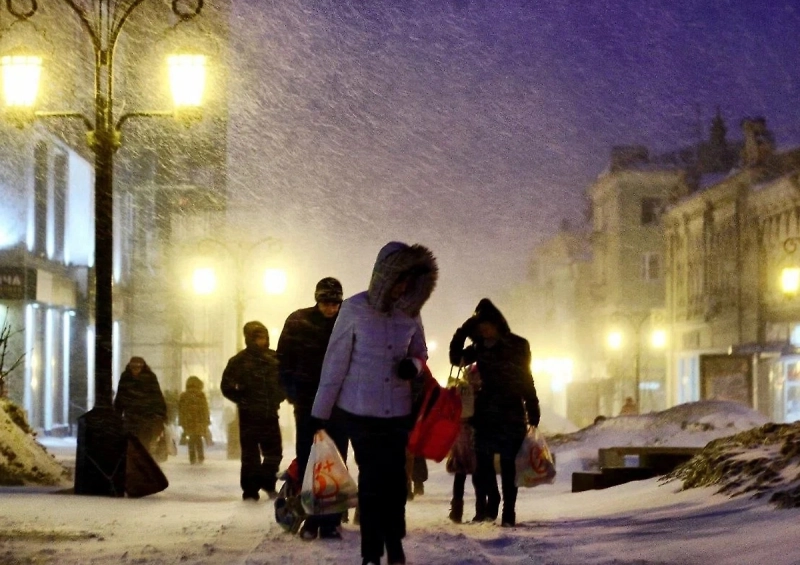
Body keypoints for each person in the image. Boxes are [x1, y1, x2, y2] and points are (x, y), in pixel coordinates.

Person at [312, 241, 438, 565]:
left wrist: (415, 366)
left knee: (396, 482)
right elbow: (335, 362)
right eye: (399, 279)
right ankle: (371, 552)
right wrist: (320, 414)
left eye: (409, 281)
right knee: (371, 481)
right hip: (360, 412)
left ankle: (394, 542)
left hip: (398, 412)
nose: (403, 288)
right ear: (384, 277)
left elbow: (421, 351)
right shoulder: (354, 309)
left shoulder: (411, 312)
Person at [449, 299, 540, 528]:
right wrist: (462, 331)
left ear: (498, 323)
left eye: (487, 324)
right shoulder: (478, 348)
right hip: (486, 413)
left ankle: (508, 511)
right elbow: (455, 359)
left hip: (511, 412)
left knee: (509, 465)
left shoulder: (518, 345)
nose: (484, 330)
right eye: (480, 326)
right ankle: (491, 503)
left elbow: (526, 378)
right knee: (483, 464)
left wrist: (532, 407)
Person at [277, 276, 349, 540]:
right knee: (309, 460)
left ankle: (330, 519)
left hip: (337, 403)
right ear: (317, 300)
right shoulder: (298, 321)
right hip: (309, 401)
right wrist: (292, 391)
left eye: (335, 303)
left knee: (335, 461)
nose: (330, 308)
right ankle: (311, 517)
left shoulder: (346, 323)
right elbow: (283, 359)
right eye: (326, 302)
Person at [221, 321, 286, 501]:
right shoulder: (239, 361)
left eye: (263, 337)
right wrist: (242, 399)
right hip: (249, 415)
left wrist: (278, 396)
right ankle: (250, 490)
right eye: (257, 338)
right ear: (250, 339)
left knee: (274, 452)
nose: (261, 341)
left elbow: (285, 380)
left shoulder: (275, 359)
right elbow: (226, 386)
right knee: (250, 456)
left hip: (270, 413)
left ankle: (267, 481)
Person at [114, 356, 168, 456]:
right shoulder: (131, 377)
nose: (136, 371)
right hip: (136, 416)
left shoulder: (130, 378)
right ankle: (139, 460)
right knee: (136, 441)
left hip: (144, 416)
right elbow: (120, 397)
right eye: (134, 368)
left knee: (143, 441)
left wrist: (161, 413)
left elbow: (157, 396)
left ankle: (140, 460)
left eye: (138, 368)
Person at [178, 376, 211, 464]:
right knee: (198, 439)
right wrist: (206, 421)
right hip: (199, 421)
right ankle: (200, 457)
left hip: (188, 421)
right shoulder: (200, 395)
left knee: (191, 440)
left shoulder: (184, 395)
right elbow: (205, 409)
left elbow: (181, 410)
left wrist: (181, 421)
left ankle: (192, 458)